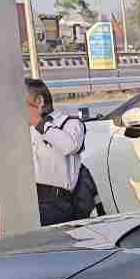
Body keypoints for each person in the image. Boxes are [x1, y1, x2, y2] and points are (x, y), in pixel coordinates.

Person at [27, 78, 87, 225]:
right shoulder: (27, 128)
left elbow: (70, 146)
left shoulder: (70, 123)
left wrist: (39, 123)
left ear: (39, 101)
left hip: (58, 202)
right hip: (32, 199)